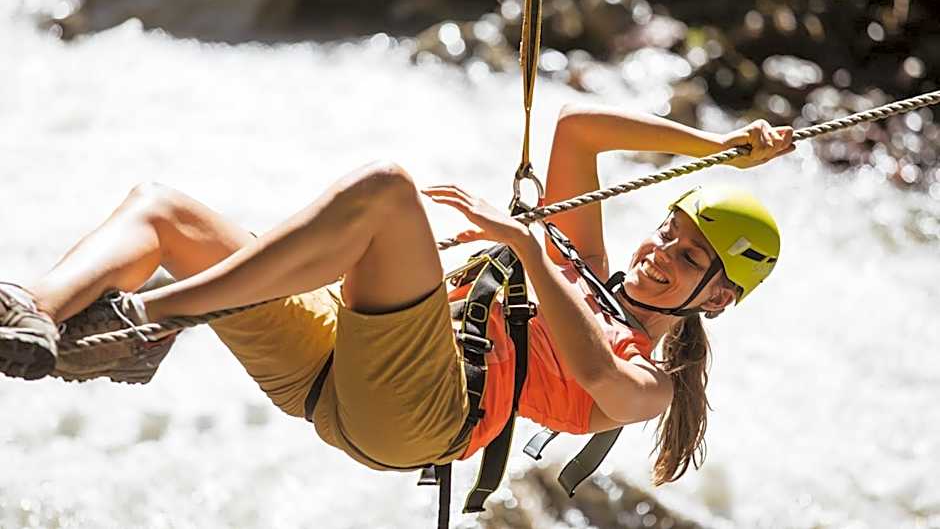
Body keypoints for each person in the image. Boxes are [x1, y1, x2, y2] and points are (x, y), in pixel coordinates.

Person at [0, 104, 792, 485]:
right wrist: (715, 150)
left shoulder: (650, 382)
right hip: (335, 365)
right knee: (165, 207)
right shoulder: (583, 259)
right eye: (668, 232)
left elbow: (599, 376)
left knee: (388, 192)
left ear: (714, 301)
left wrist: (523, 244)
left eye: (689, 260)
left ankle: (153, 320)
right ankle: (32, 307)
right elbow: (579, 129)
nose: (659, 253)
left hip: (417, 417)